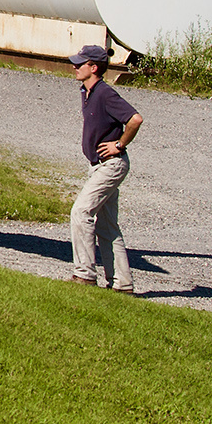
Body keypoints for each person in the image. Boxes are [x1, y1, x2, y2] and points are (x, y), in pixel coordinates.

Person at [66, 45, 143, 292]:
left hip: (111, 165)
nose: (75, 67)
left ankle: (84, 275)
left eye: (80, 63)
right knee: (107, 226)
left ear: (94, 67)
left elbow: (135, 119)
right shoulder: (86, 91)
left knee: (81, 212)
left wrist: (119, 144)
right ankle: (122, 284)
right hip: (98, 166)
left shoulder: (104, 93)